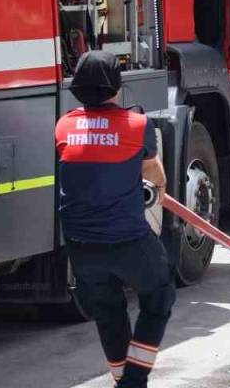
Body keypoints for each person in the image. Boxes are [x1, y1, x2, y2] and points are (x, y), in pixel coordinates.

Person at [55, 51, 174, 388]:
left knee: (109, 313)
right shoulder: (138, 125)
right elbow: (154, 176)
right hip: (128, 241)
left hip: (80, 246)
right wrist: (156, 190)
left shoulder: (63, 125)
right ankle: (133, 381)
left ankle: (124, 380)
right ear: (117, 88)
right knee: (160, 295)